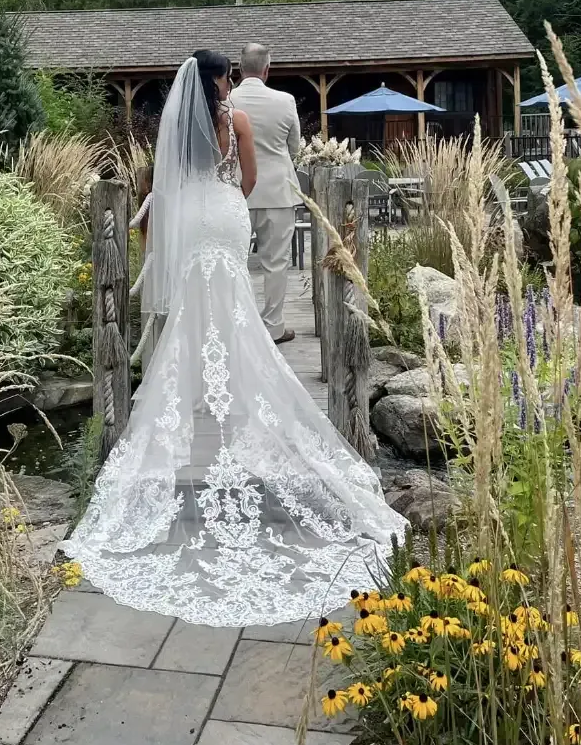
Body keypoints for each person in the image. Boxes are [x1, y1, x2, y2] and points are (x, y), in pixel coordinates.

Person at [65, 49, 406, 628]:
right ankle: (238, 384)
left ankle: (196, 387)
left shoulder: (176, 131)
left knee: (194, 302)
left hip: (192, 212)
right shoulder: (237, 123)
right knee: (236, 302)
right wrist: (227, 192)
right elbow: (247, 180)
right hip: (225, 212)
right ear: (222, 80)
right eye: (226, 76)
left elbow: (163, 181)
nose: (228, 83)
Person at [230, 42, 301, 345]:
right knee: (276, 262)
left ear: (239, 67)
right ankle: (273, 325)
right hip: (277, 193)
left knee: (234, 261)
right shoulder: (285, 100)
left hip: (236, 191)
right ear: (267, 69)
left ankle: (237, 322)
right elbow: (294, 147)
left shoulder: (227, 99)